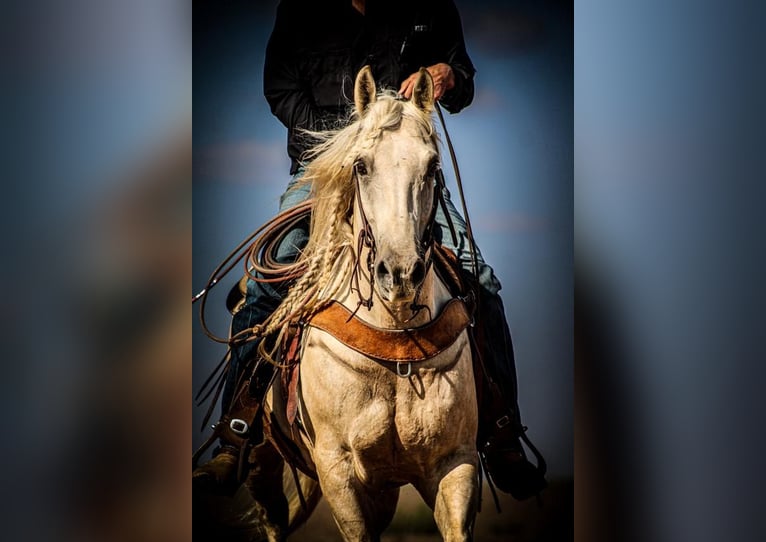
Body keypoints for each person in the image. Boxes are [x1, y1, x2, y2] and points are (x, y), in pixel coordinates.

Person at [194, 0, 546, 500]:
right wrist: (340, 141)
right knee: (265, 284)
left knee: (480, 280)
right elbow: (279, 88)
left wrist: (449, 74)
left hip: (407, 175)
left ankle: (503, 435)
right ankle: (235, 435)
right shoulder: (299, 8)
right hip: (322, 165)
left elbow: (462, 81)